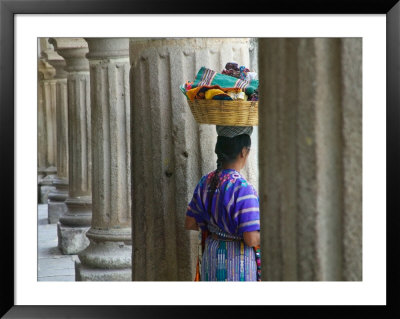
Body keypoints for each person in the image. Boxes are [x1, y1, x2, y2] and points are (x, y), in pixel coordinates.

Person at [185, 126, 260, 281]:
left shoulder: (205, 182)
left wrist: (217, 228)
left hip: (211, 257)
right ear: (243, 152)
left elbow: (190, 222)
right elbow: (251, 239)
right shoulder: (244, 189)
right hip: (238, 263)